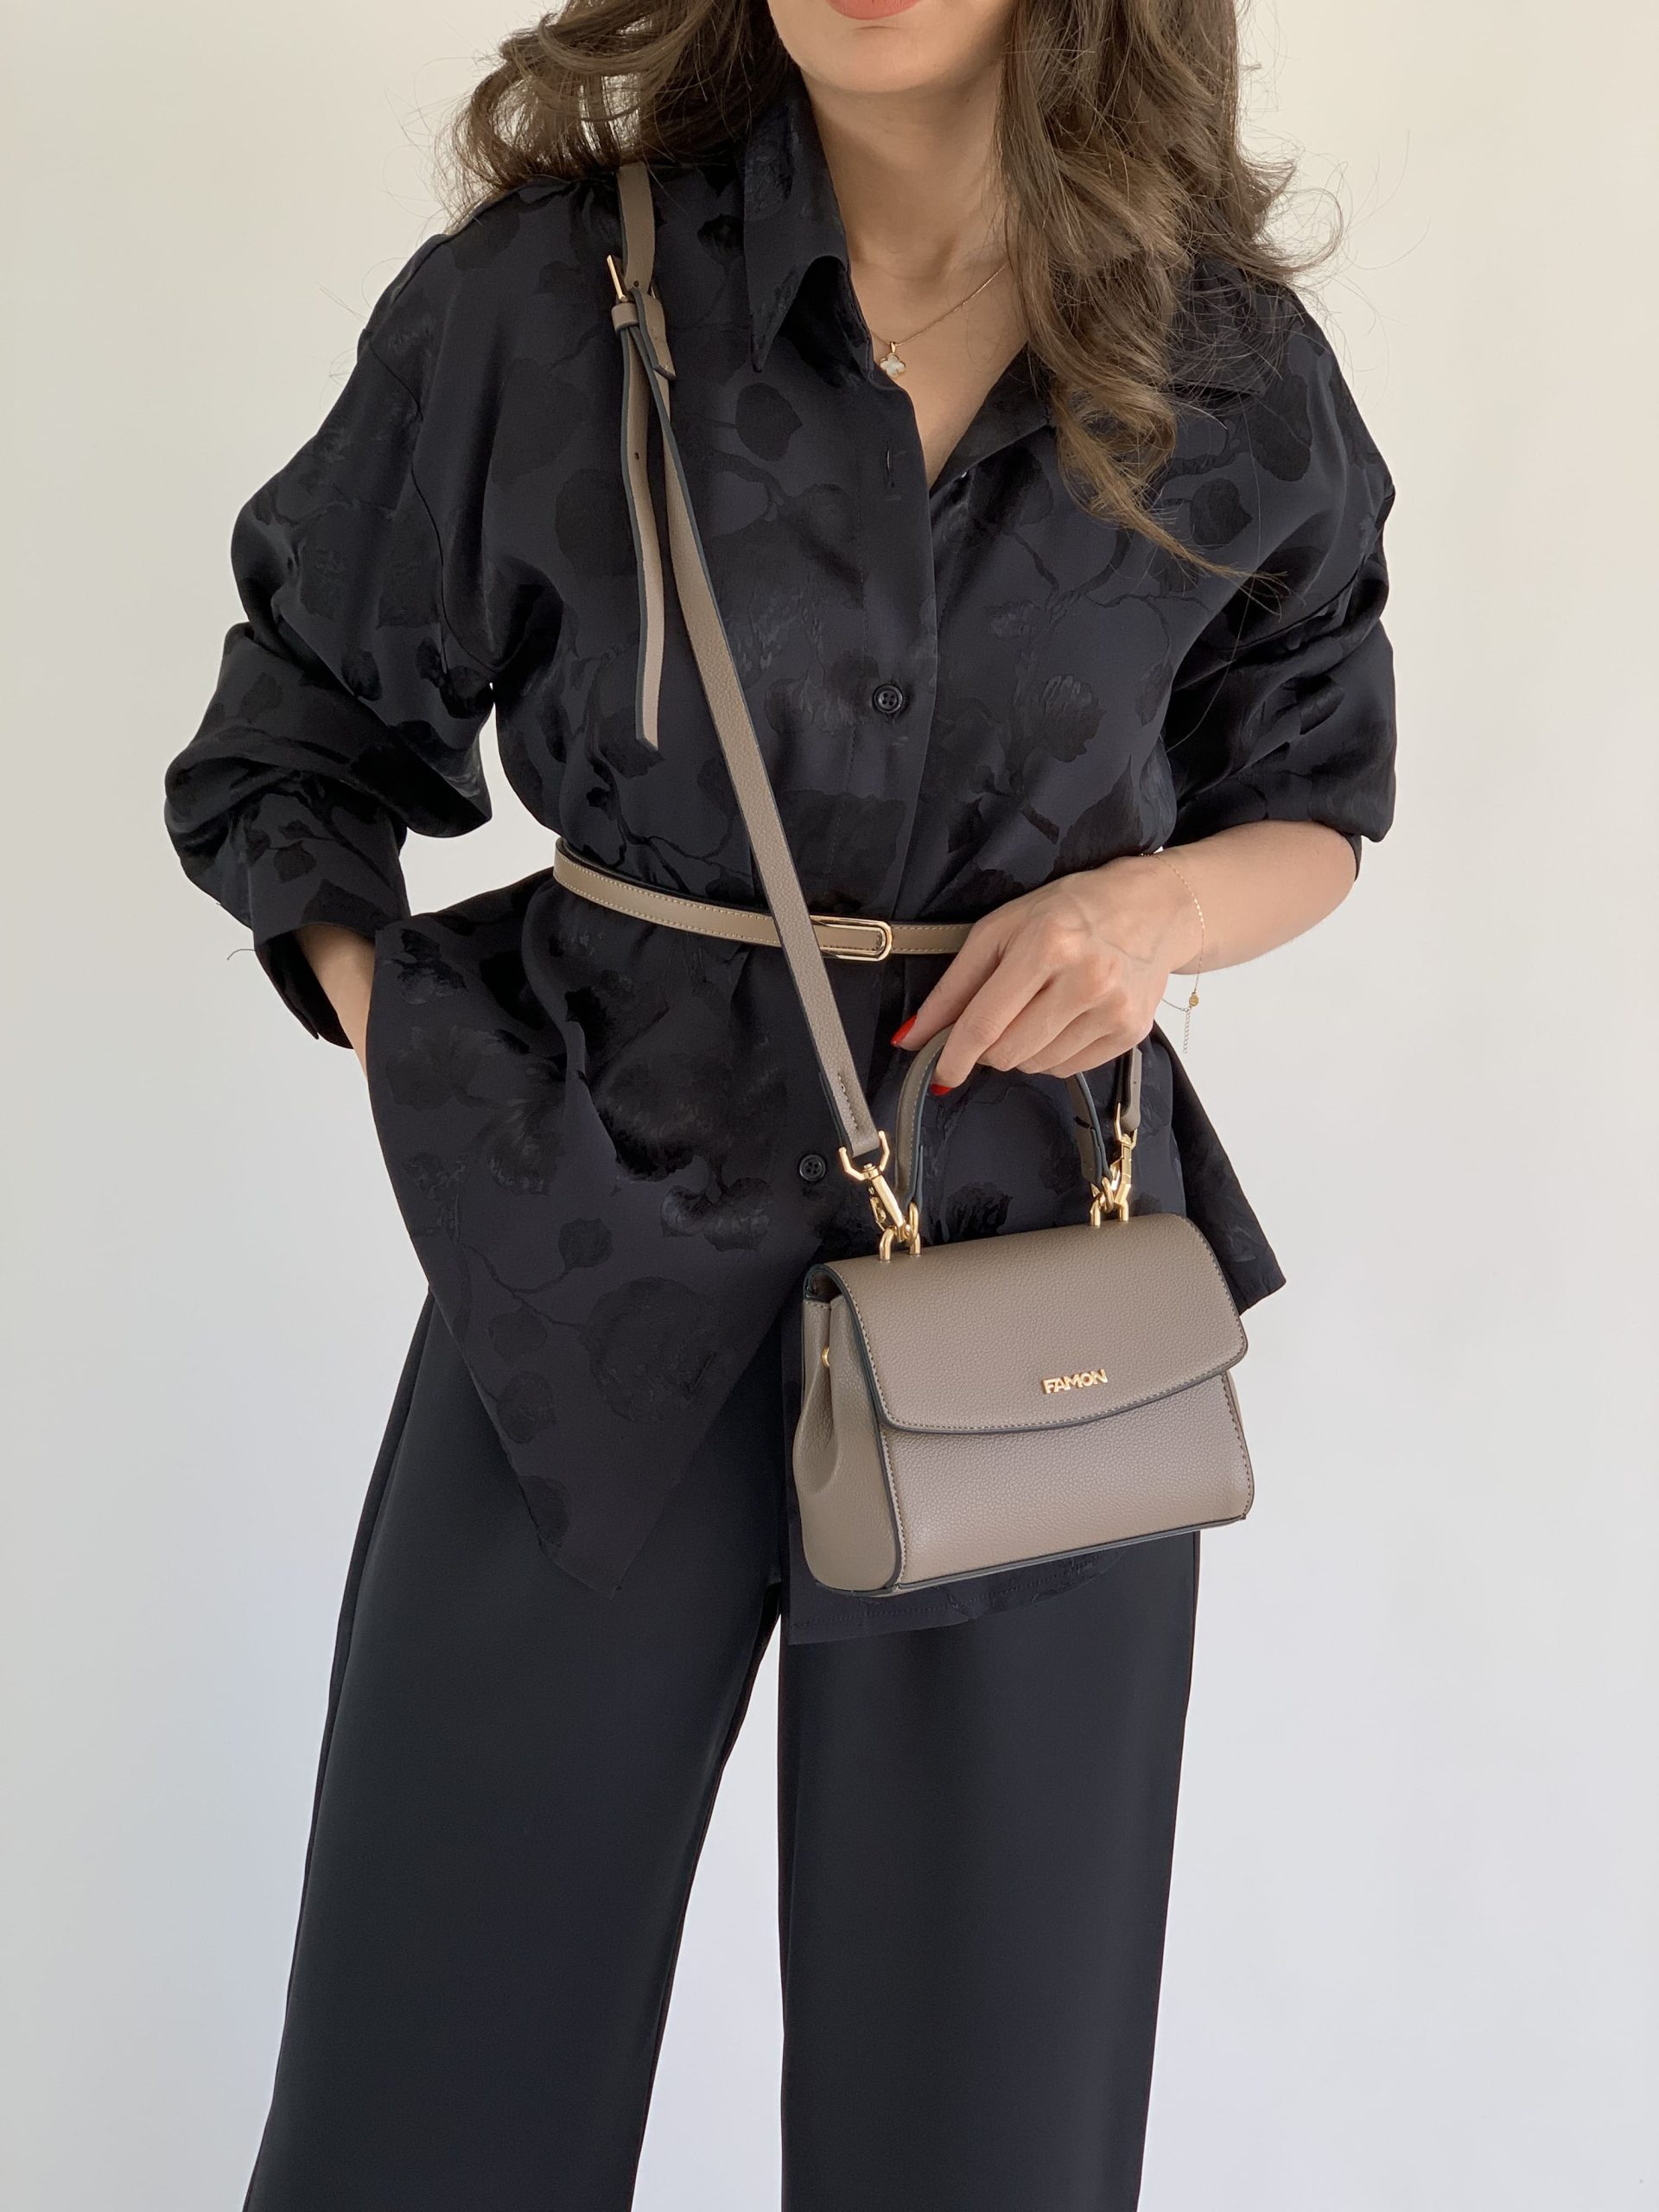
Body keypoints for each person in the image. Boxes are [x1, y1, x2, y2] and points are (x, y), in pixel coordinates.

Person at [162, 2, 1396, 2205]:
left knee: (992, 2131)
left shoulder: (1222, 371)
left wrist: (1156, 912)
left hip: (1030, 1280)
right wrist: (420, 1054)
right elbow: (292, 741)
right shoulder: (545, 306)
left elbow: (1316, 793)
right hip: (582, 1260)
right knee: (425, 2094)